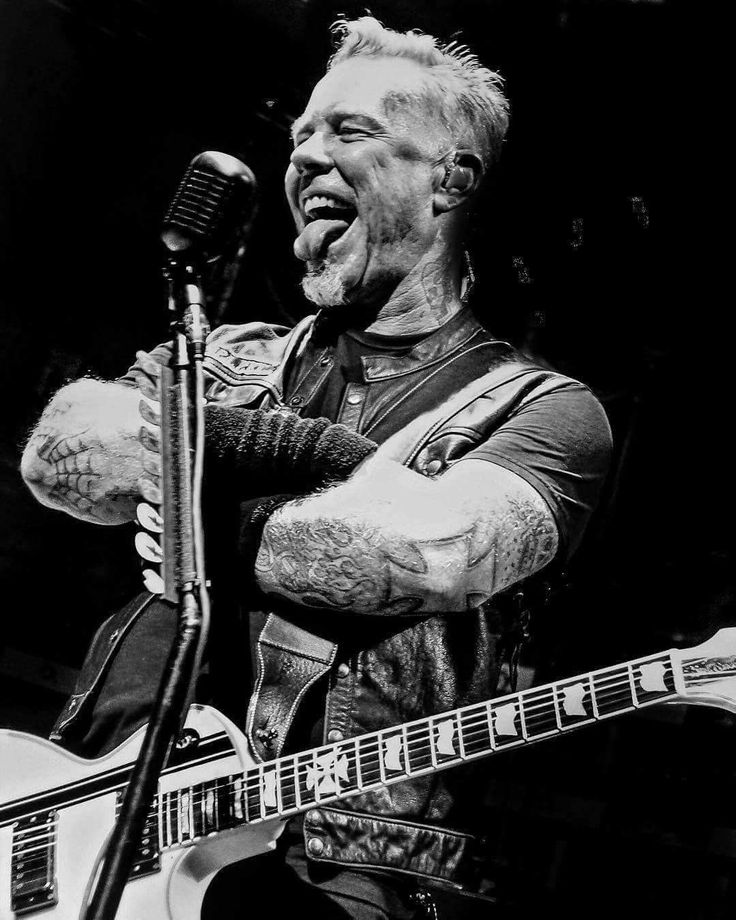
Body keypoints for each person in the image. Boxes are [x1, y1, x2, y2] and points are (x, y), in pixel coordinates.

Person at [20, 16, 612, 919]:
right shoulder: (224, 354)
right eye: (301, 134)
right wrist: (302, 452)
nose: (306, 158)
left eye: (351, 131)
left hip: (331, 871)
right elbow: (62, 456)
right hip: (94, 821)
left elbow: (414, 556)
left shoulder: (547, 410)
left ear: (449, 175)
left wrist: (196, 507)